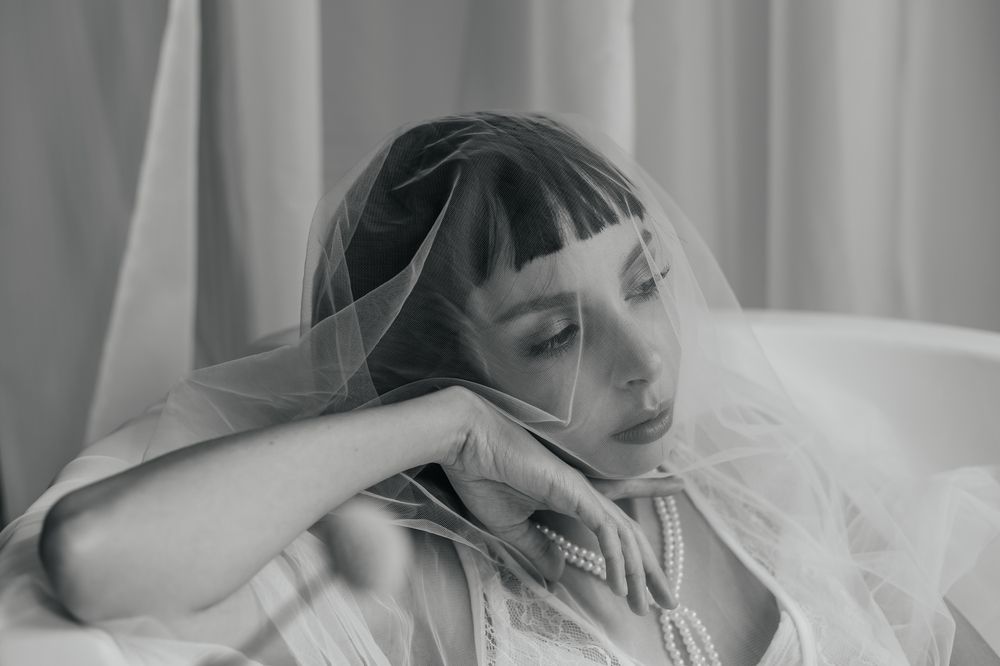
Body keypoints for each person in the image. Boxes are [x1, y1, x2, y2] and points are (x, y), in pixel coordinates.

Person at [1, 112, 998, 664]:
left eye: (644, 282)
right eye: (557, 335)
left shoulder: (755, 476)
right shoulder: (412, 581)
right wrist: (449, 427)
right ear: (442, 368)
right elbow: (92, 557)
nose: (646, 359)